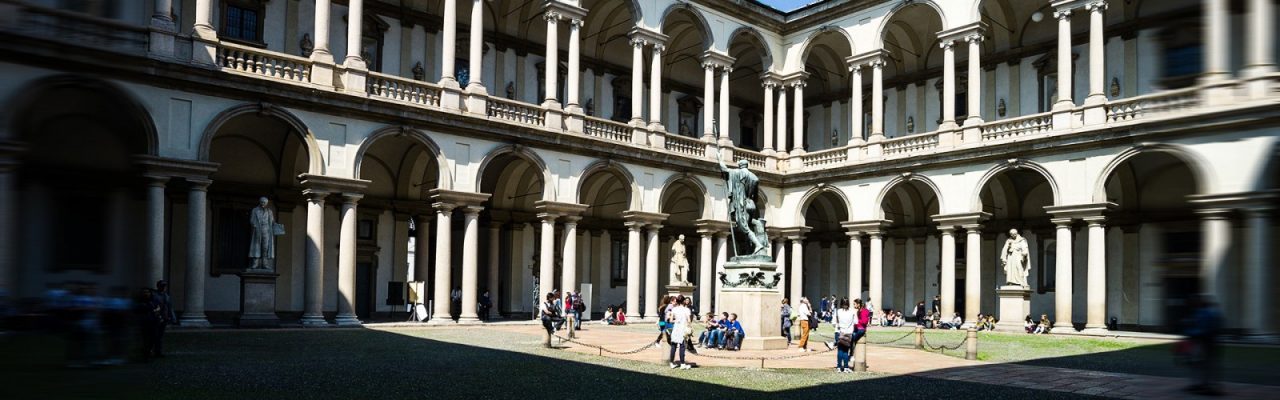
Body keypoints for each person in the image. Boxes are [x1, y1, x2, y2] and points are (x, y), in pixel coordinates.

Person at [1183, 295, 1223, 396]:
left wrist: (1189, 332)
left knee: (1204, 365)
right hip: (1207, 341)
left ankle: (1207, 386)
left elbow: (1204, 329)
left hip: (1204, 342)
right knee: (1204, 365)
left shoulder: (1204, 313)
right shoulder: (1209, 312)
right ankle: (1204, 385)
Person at [151, 280, 176, 358]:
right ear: (158, 286)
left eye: (164, 286)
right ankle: (152, 350)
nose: (163, 287)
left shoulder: (166, 296)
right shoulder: (154, 295)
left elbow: (169, 307)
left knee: (160, 336)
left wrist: (173, 317)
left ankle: (158, 351)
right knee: (155, 335)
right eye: (162, 285)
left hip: (164, 318)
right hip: (156, 317)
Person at [667, 296, 692, 369]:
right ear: (683, 301)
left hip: (676, 328)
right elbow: (689, 320)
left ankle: (671, 362)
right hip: (683, 328)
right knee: (682, 346)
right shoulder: (686, 309)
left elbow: (671, 320)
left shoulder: (674, 309)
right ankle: (682, 363)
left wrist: (676, 320)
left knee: (673, 346)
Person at [832, 298, 855, 373]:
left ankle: (839, 367)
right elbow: (855, 322)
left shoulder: (838, 311)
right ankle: (845, 367)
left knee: (840, 350)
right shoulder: (852, 312)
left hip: (839, 332)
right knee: (845, 351)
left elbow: (833, 323)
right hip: (848, 332)